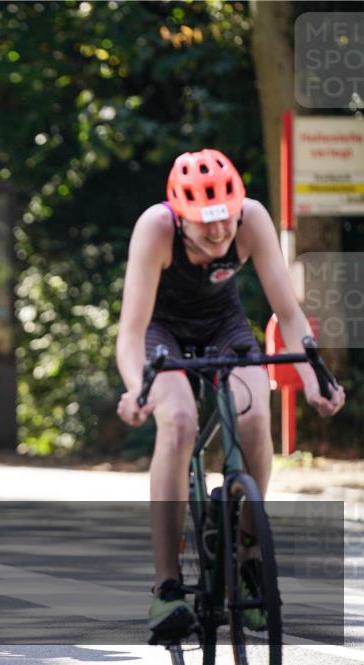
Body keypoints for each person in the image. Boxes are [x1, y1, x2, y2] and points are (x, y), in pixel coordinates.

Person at [114, 149, 346, 642]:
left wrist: (311, 379)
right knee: (177, 422)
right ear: (180, 215)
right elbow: (131, 333)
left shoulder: (252, 219)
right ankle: (167, 587)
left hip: (225, 327)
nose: (219, 234)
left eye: (226, 222)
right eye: (205, 226)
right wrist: (138, 390)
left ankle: (248, 557)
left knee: (255, 415)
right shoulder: (155, 229)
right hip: (163, 332)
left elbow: (289, 312)